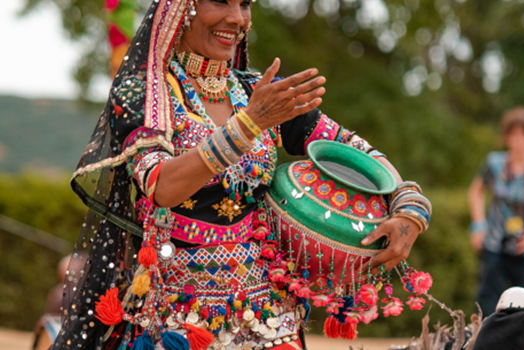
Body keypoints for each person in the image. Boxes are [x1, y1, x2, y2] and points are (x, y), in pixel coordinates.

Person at [51, 0, 431, 349]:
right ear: (182, 8)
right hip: (175, 315)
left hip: (267, 316)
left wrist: (410, 208)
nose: (236, 18)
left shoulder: (257, 91)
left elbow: (360, 155)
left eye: (245, 3)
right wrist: (247, 125)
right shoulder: (147, 93)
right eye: (220, 1)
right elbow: (161, 185)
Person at [469, 107, 524, 317]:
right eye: (513, 134)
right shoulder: (494, 164)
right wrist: (478, 226)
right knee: (488, 300)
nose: (519, 140)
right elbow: (476, 191)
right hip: (495, 243)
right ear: (506, 137)